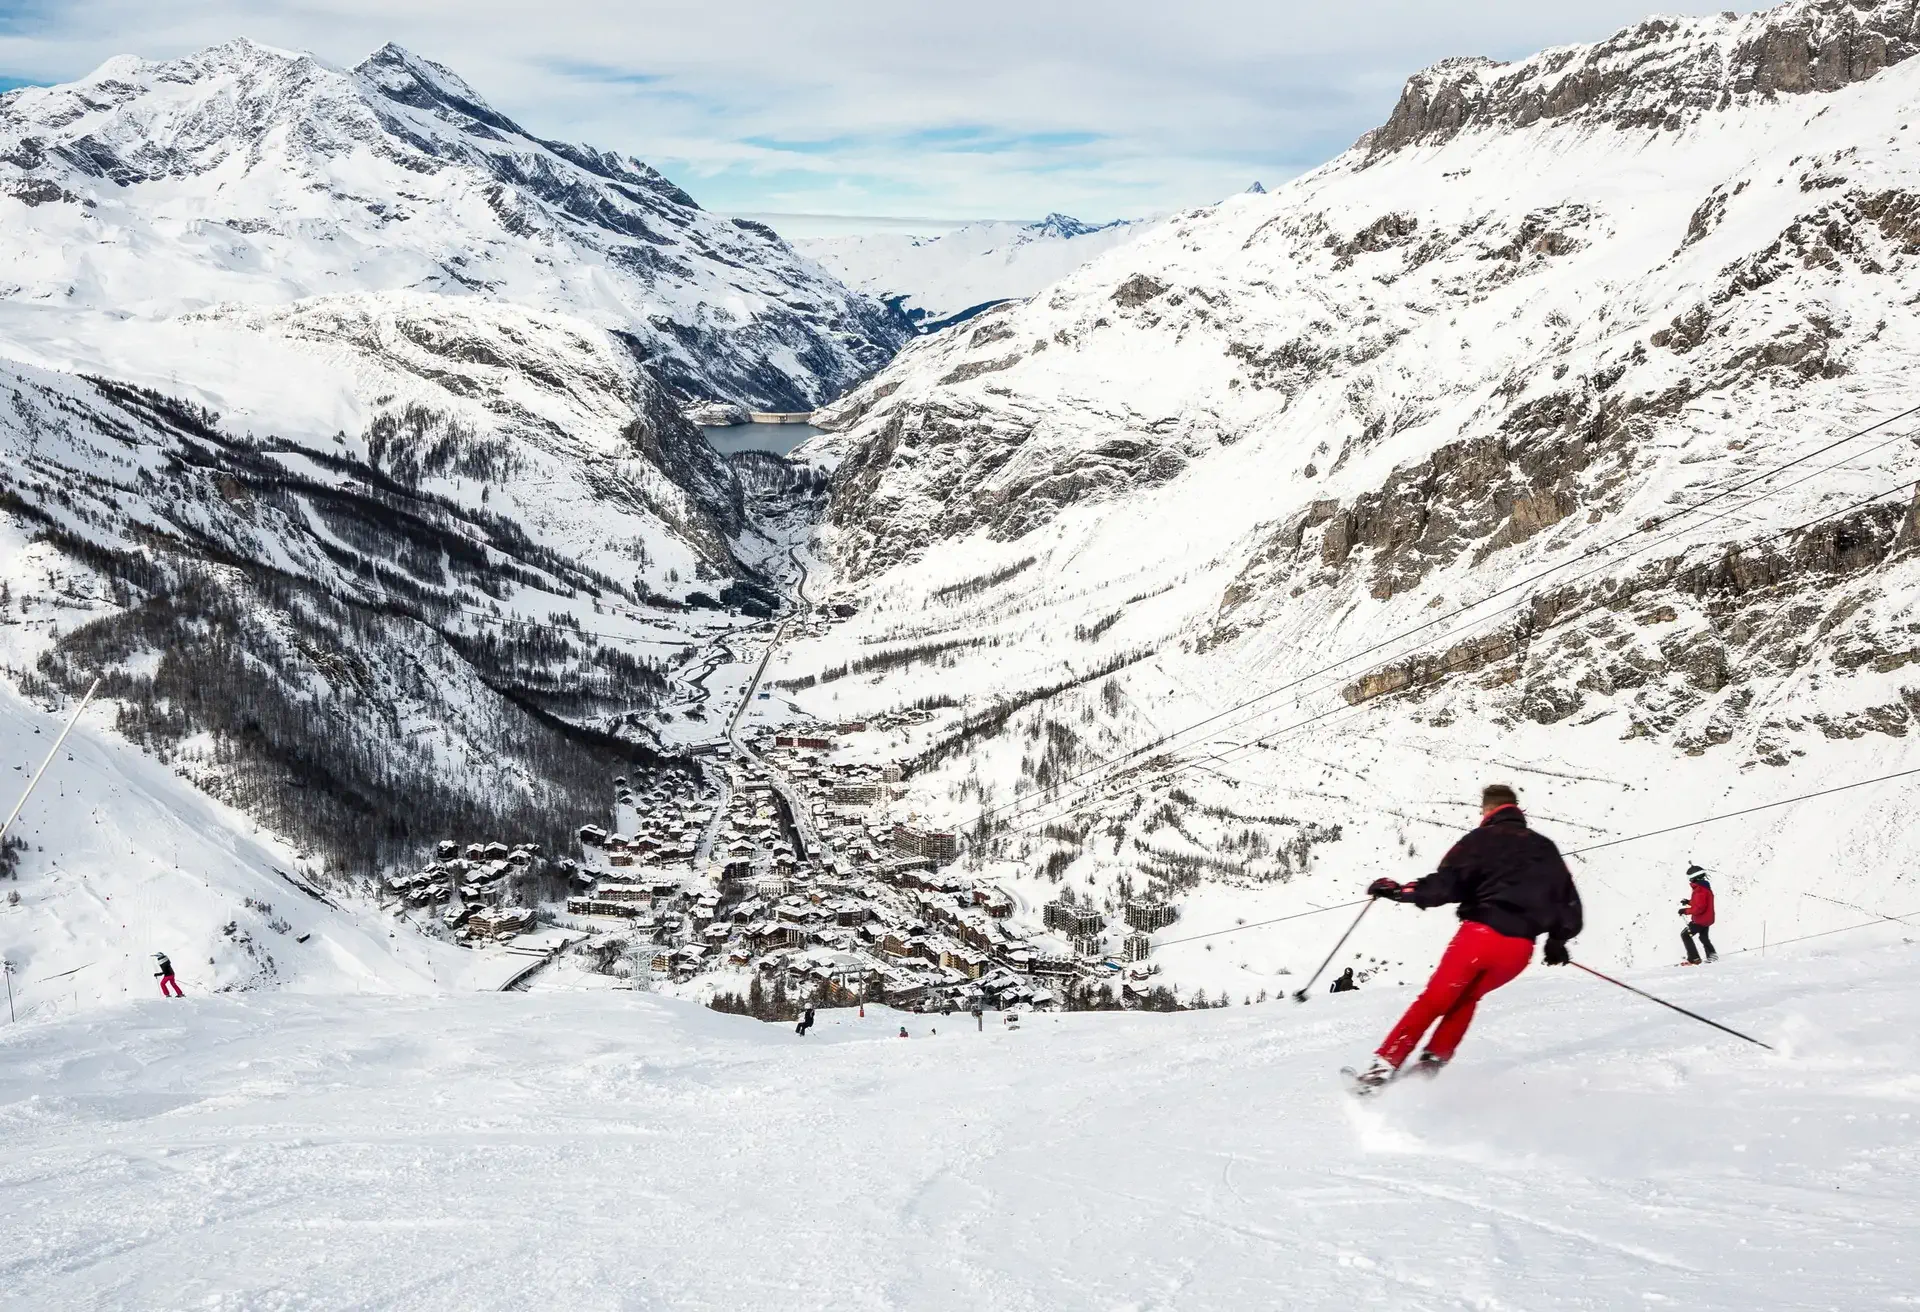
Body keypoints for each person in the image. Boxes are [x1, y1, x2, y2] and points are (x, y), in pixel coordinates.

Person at [1351, 783, 1582, 1090]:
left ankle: (1381, 1071)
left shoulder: (1480, 840)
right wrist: (1557, 940)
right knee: (1468, 998)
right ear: (1517, 810)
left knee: (1434, 1001)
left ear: (1487, 811)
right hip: (1518, 951)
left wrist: (1398, 892)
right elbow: (1568, 901)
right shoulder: (1546, 848)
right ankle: (1430, 1066)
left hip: (1480, 937)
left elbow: (1444, 886)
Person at [1680, 866, 1717, 965]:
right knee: (1703, 937)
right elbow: (1700, 903)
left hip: (1700, 920)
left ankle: (1694, 959)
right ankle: (1712, 955)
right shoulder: (1705, 887)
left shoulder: (1699, 890)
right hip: (1707, 919)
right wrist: (1688, 902)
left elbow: (1699, 908)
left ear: (1694, 877)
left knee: (1685, 935)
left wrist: (1685, 911)